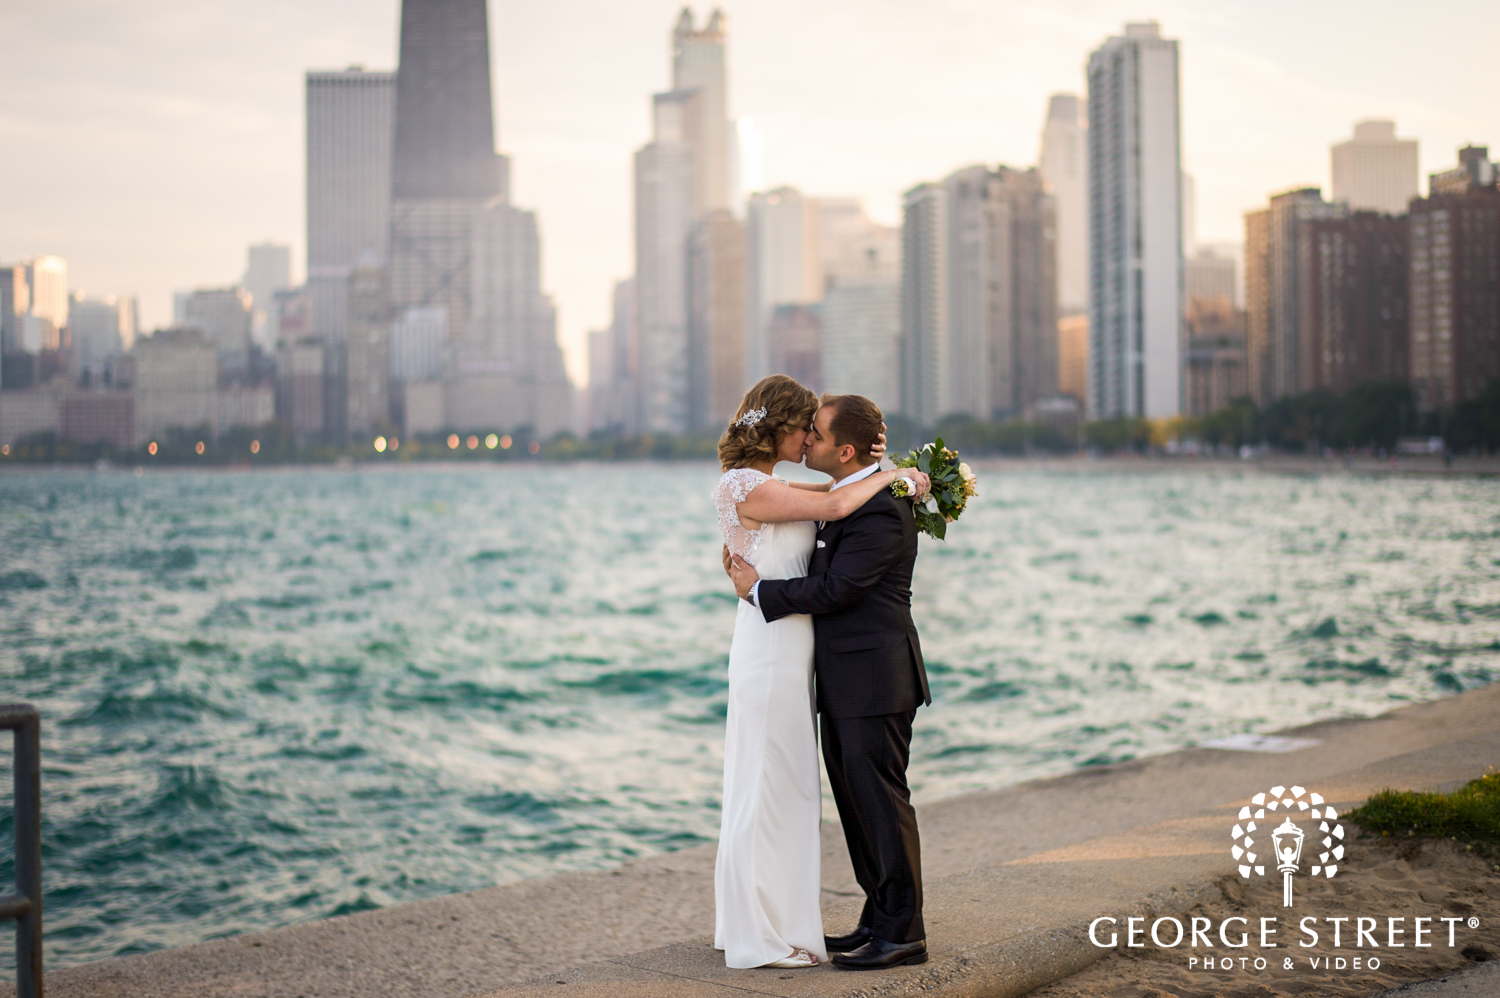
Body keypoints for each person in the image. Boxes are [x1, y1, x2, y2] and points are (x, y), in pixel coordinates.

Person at [710, 375, 927, 971]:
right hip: (797, 660)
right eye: (804, 428)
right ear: (778, 428)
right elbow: (831, 503)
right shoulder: (766, 486)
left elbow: (837, 580)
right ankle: (873, 919)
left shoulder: (875, 506)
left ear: (846, 450)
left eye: (818, 432)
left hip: (862, 673)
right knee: (816, 791)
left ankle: (900, 929)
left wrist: (758, 591)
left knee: (870, 800)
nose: (808, 440)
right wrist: (895, 472)